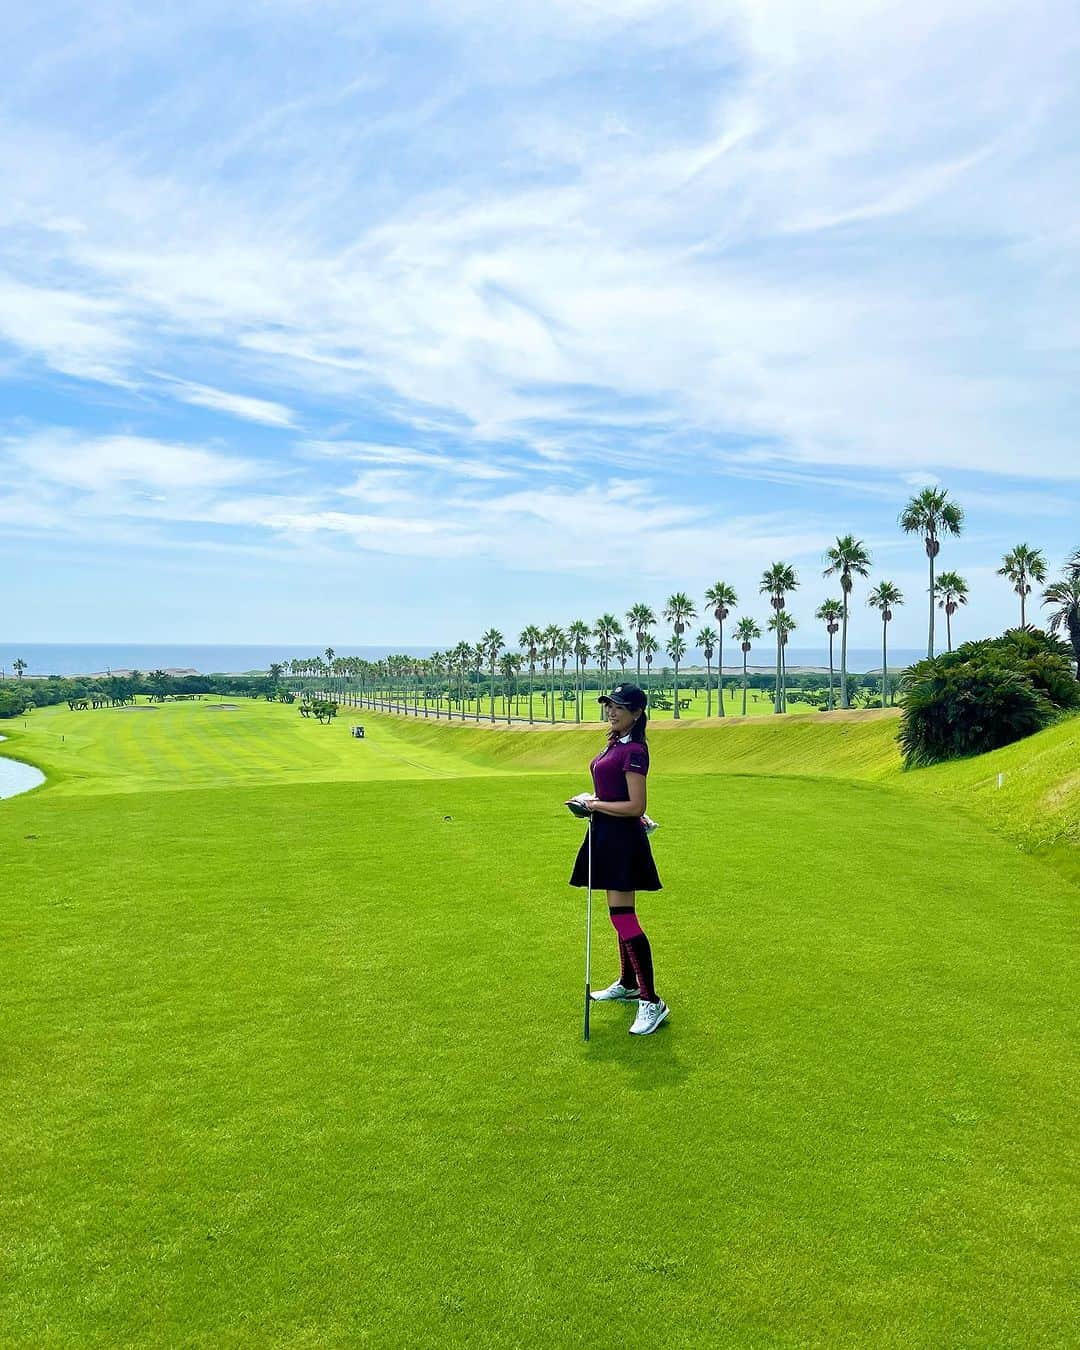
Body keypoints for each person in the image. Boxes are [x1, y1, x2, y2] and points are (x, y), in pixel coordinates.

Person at [567, 683, 669, 1035]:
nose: (612, 711)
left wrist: (593, 805)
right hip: (606, 835)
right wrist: (590, 800)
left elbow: (636, 806)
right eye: (609, 705)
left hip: (622, 840)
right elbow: (616, 794)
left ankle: (651, 1001)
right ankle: (627, 983)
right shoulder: (615, 742)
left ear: (637, 713)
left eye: (620, 707)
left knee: (623, 917)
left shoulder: (635, 751)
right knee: (618, 917)